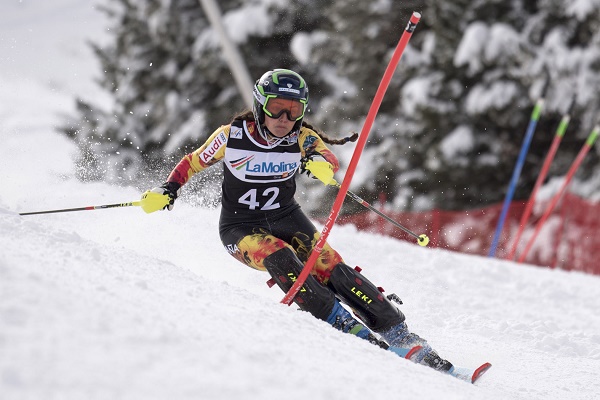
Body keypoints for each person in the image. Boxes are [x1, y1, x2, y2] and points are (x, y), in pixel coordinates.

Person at [148, 68, 454, 373]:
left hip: (286, 216)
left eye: (294, 110)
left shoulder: (301, 137)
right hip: (239, 227)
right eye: (276, 108)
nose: (284, 118)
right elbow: (192, 162)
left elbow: (327, 157)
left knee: (331, 267)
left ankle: (398, 333)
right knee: (280, 257)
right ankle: (338, 320)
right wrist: (168, 189)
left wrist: (321, 164)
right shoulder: (232, 136)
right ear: (260, 106)